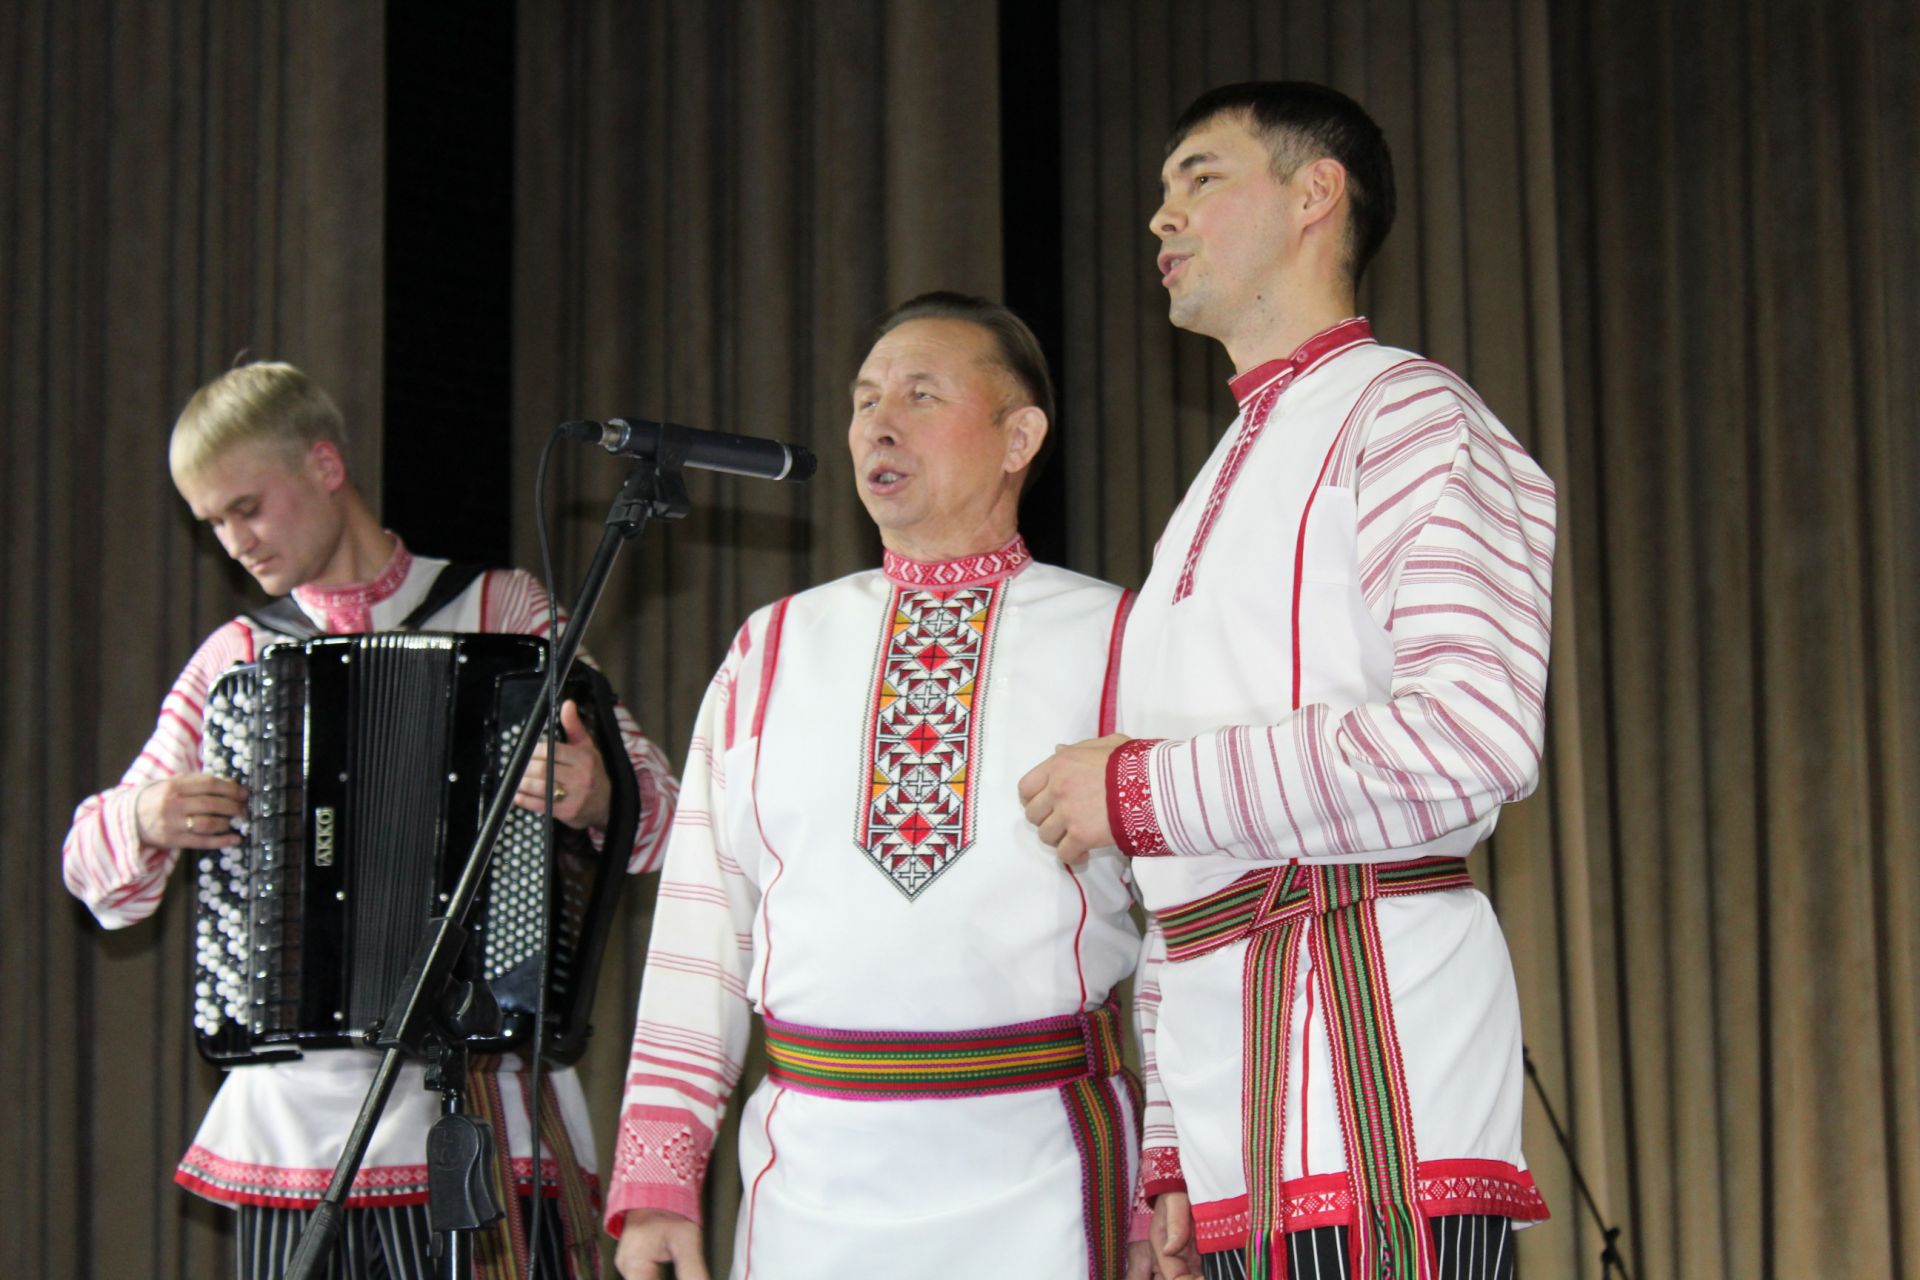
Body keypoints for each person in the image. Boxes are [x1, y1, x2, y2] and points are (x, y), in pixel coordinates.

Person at [1020, 82, 1556, 1280]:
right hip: (1233, 1121)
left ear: (1318, 194)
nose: (1160, 218)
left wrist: (1144, 789)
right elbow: (1184, 870)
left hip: (1377, 1084)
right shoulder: (1212, 485)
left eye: (1199, 179)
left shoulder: (1411, 414)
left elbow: (1471, 735)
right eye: (1159, 193)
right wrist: (1169, 1143)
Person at [61, 361, 679, 1279]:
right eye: (214, 524)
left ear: (323, 465)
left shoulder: (499, 610)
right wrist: (148, 814)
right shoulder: (240, 657)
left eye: (247, 508)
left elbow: (663, 809)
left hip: (483, 1104)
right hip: (301, 1125)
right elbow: (92, 870)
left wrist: (597, 794)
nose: (235, 543)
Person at [607, 293, 1143, 1280]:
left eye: (921, 393)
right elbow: (701, 926)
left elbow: (1192, 931)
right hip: (812, 1180)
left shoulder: (1120, 638)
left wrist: (1176, 1170)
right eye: (863, 401)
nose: (877, 424)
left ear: (1019, 434)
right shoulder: (770, 648)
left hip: (1041, 1169)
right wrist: (659, 1181)